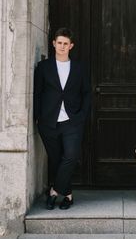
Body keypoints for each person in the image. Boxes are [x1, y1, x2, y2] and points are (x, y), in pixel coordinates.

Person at [33, 27, 91, 210]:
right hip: (48, 122)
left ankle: (54, 192)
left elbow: (87, 94)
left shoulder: (79, 68)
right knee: (57, 159)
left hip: (72, 121)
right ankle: (68, 195)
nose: (62, 46)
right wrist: (37, 118)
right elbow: (37, 93)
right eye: (59, 43)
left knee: (71, 156)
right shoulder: (43, 67)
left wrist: (81, 116)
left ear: (71, 46)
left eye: (66, 43)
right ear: (54, 44)